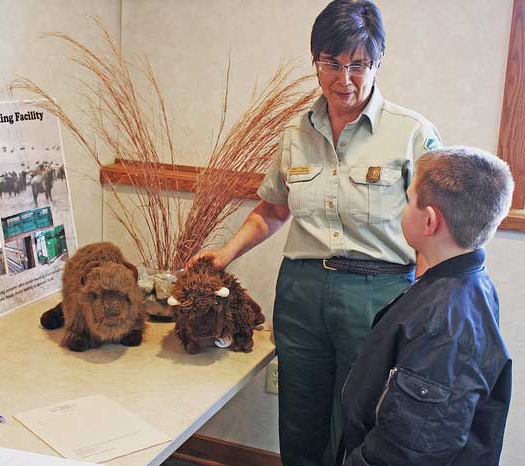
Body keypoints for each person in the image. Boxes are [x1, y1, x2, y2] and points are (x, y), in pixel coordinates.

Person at [188, 1, 441, 464]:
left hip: (378, 292)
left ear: (378, 62)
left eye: (358, 64)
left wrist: (425, 305)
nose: (344, 79)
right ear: (316, 62)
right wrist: (225, 254)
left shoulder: (412, 134)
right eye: (332, 63)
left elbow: (432, 230)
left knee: (360, 416)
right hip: (303, 290)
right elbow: (273, 208)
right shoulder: (294, 133)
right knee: (300, 416)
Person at [341, 147, 514, 466]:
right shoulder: (466, 279)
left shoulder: (442, 329)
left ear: (430, 220)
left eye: (408, 200)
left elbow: (409, 449)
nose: (403, 210)